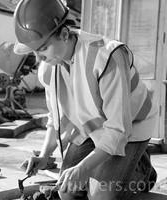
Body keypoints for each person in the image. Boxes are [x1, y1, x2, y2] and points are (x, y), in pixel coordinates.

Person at [13, 0, 157, 199]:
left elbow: (118, 130)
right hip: (93, 129)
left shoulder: (107, 57)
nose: (40, 58)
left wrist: (84, 168)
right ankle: (125, 165)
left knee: (101, 196)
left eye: (43, 49)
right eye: (34, 51)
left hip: (131, 127)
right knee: (66, 192)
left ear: (64, 34)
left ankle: (141, 170)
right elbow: (56, 120)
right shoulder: (49, 69)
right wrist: (44, 156)